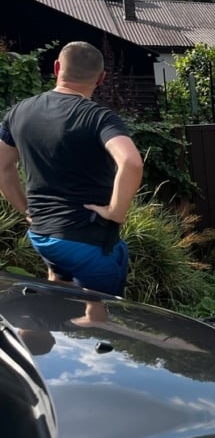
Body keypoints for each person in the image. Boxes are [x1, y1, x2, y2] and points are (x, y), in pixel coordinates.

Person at [0, 41, 144, 299]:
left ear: (57, 68)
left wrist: (26, 210)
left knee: (60, 294)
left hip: (43, 236)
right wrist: (115, 213)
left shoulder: (19, 112)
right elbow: (131, 162)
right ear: (101, 78)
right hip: (87, 241)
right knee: (102, 312)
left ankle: (48, 319)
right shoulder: (99, 118)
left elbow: (2, 165)